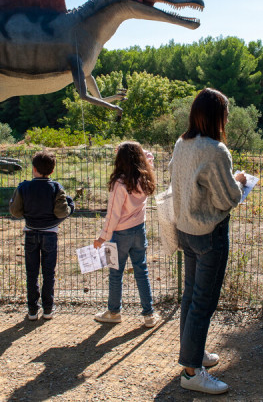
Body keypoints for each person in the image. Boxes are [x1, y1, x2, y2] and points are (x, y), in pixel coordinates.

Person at [170, 88, 246, 394]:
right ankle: (191, 373)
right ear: (217, 116)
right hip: (209, 235)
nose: (227, 118)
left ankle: (194, 355)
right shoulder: (216, 151)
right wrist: (239, 181)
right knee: (203, 302)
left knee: (190, 298)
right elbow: (227, 198)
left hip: (184, 230)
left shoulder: (181, 142)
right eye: (226, 113)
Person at [93, 141, 158, 328]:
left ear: (120, 159)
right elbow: (149, 157)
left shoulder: (120, 183)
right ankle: (149, 315)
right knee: (141, 271)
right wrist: (136, 150)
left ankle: (114, 312)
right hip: (139, 230)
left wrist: (102, 237)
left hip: (120, 234)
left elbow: (113, 214)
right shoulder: (144, 177)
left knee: (115, 273)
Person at [9, 150, 75, 320]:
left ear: (33, 168)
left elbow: (15, 212)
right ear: (52, 170)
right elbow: (61, 213)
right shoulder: (56, 188)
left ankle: (32, 309)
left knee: (31, 272)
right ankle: (48, 308)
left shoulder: (23, 187)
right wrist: (71, 205)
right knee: (48, 272)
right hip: (50, 235)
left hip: (30, 232)